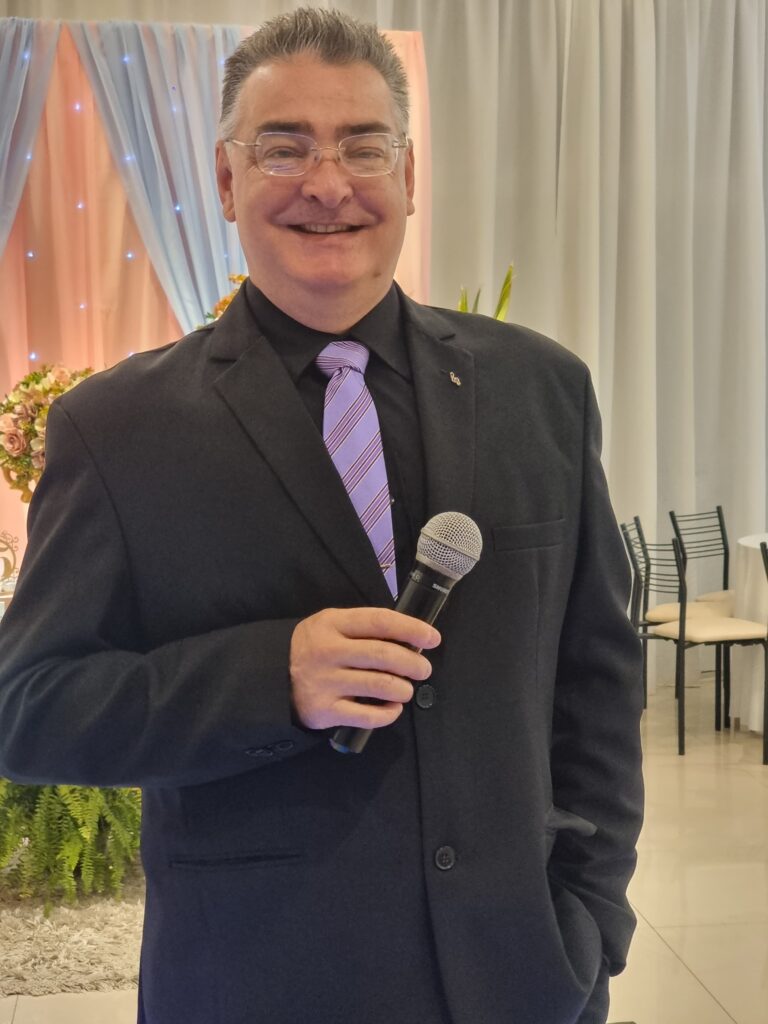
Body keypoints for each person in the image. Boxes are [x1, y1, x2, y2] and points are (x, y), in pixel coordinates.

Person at [0, 8, 643, 1024]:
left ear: (409, 175)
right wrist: (273, 680)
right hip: (258, 979)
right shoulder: (117, 428)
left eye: (363, 145)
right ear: (225, 181)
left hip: (520, 978)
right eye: (284, 147)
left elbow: (596, 674)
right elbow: (29, 707)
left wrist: (593, 918)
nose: (328, 183)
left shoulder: (541, 389)